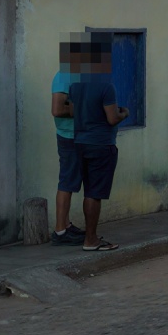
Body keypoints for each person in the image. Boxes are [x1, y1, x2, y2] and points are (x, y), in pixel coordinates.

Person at [68, 32, 129, 251]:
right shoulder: (106, 86)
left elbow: (75, 111)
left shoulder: (76, 85)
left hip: (80, 143)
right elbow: (112, 118)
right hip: (101, 144)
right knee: (95, 193)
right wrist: (125, 114)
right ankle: (91, 240)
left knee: (88, 191)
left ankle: (90, 236)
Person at [49, 38, 86, 245]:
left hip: (78, 136)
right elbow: (57, 110)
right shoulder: (64, 76)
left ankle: (66, 224)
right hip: (69, 137)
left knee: (71, 182)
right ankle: (60, 231)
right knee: (67, 182)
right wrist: (84, 110)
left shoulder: (75, 75)